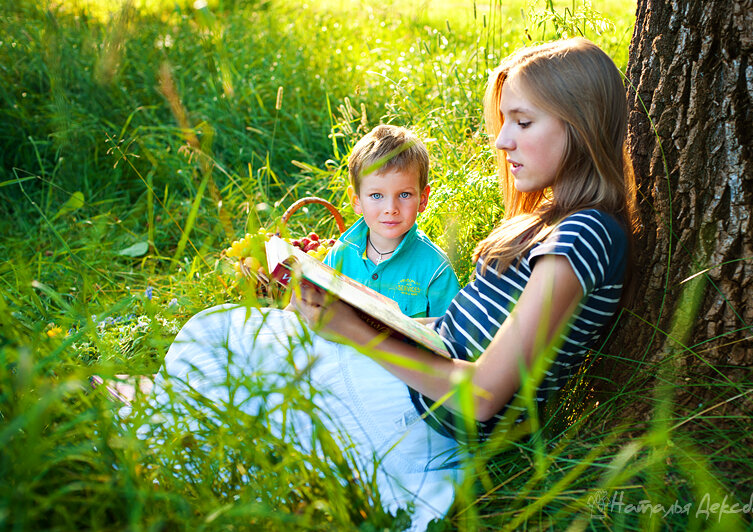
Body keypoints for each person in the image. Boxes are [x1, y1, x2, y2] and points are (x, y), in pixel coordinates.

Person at [142, 37, 639, 530]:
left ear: (581, 125)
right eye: (504, 120)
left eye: (523, 122)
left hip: (427, 417)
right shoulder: (554, 222)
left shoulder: (587, 233)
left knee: (228, 353)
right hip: (421, 382)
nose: (503, 139)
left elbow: (486, 396)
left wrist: (357, 331)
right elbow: (463, 335)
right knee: (240, 348)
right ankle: (149, 409)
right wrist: (369, 310)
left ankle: (144, 419)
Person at [323, 124, 460, 318]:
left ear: (423, 199)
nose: (391, 209)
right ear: (357, 201)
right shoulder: (341, 253)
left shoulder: (435, 268)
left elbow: (452, 334)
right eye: (377, 195)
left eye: (404, 194)